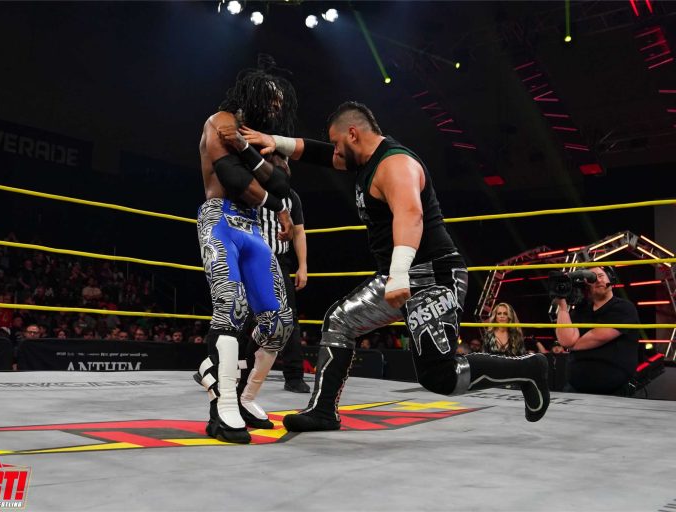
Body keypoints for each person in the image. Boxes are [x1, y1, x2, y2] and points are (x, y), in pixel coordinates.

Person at [242, 101, 550, 432]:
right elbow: (321, 154)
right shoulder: (365, 160)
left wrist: (400, 274)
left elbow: (411, 215)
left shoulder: (395, 164)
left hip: (434, 276)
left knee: (440, 377)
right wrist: (276, 141)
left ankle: (528, 368)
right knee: (340, 321)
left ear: (353, 134)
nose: (335, 151)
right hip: (399, 274)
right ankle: (323, 411)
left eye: (337, 143)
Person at [193, 56, 297, 443]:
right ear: (252, 97)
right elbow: (234, 179)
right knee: (232, 306)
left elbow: (282, 185)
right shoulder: (219, 122)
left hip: (252, 227)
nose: (276, 108)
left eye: (280, 103)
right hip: (220, 218)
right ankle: (222, 407)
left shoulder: (265, 140)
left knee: (279, 322)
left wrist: (250, 152)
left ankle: (244, 395)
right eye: (271, 101)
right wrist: (272, 194)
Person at [257, 187, 310, 393]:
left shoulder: (292, 196)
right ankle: (217, 366)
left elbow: (299, 231)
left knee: (289, 317)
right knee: (240, 314)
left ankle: (294, 376)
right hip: (251, 258)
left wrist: (303, 266)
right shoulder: (251, 189)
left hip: (279, 261)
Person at [555, 266, 640, 395]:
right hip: (575, 389)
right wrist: (562, 306)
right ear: (586, 286)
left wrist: (572, 345)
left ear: (610, 279)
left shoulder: (624, 308)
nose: (598, 280)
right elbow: (566, 340)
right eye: (592, 278)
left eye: (600, 276)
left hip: (613, 391)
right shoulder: (580, 311)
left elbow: (596, 338)